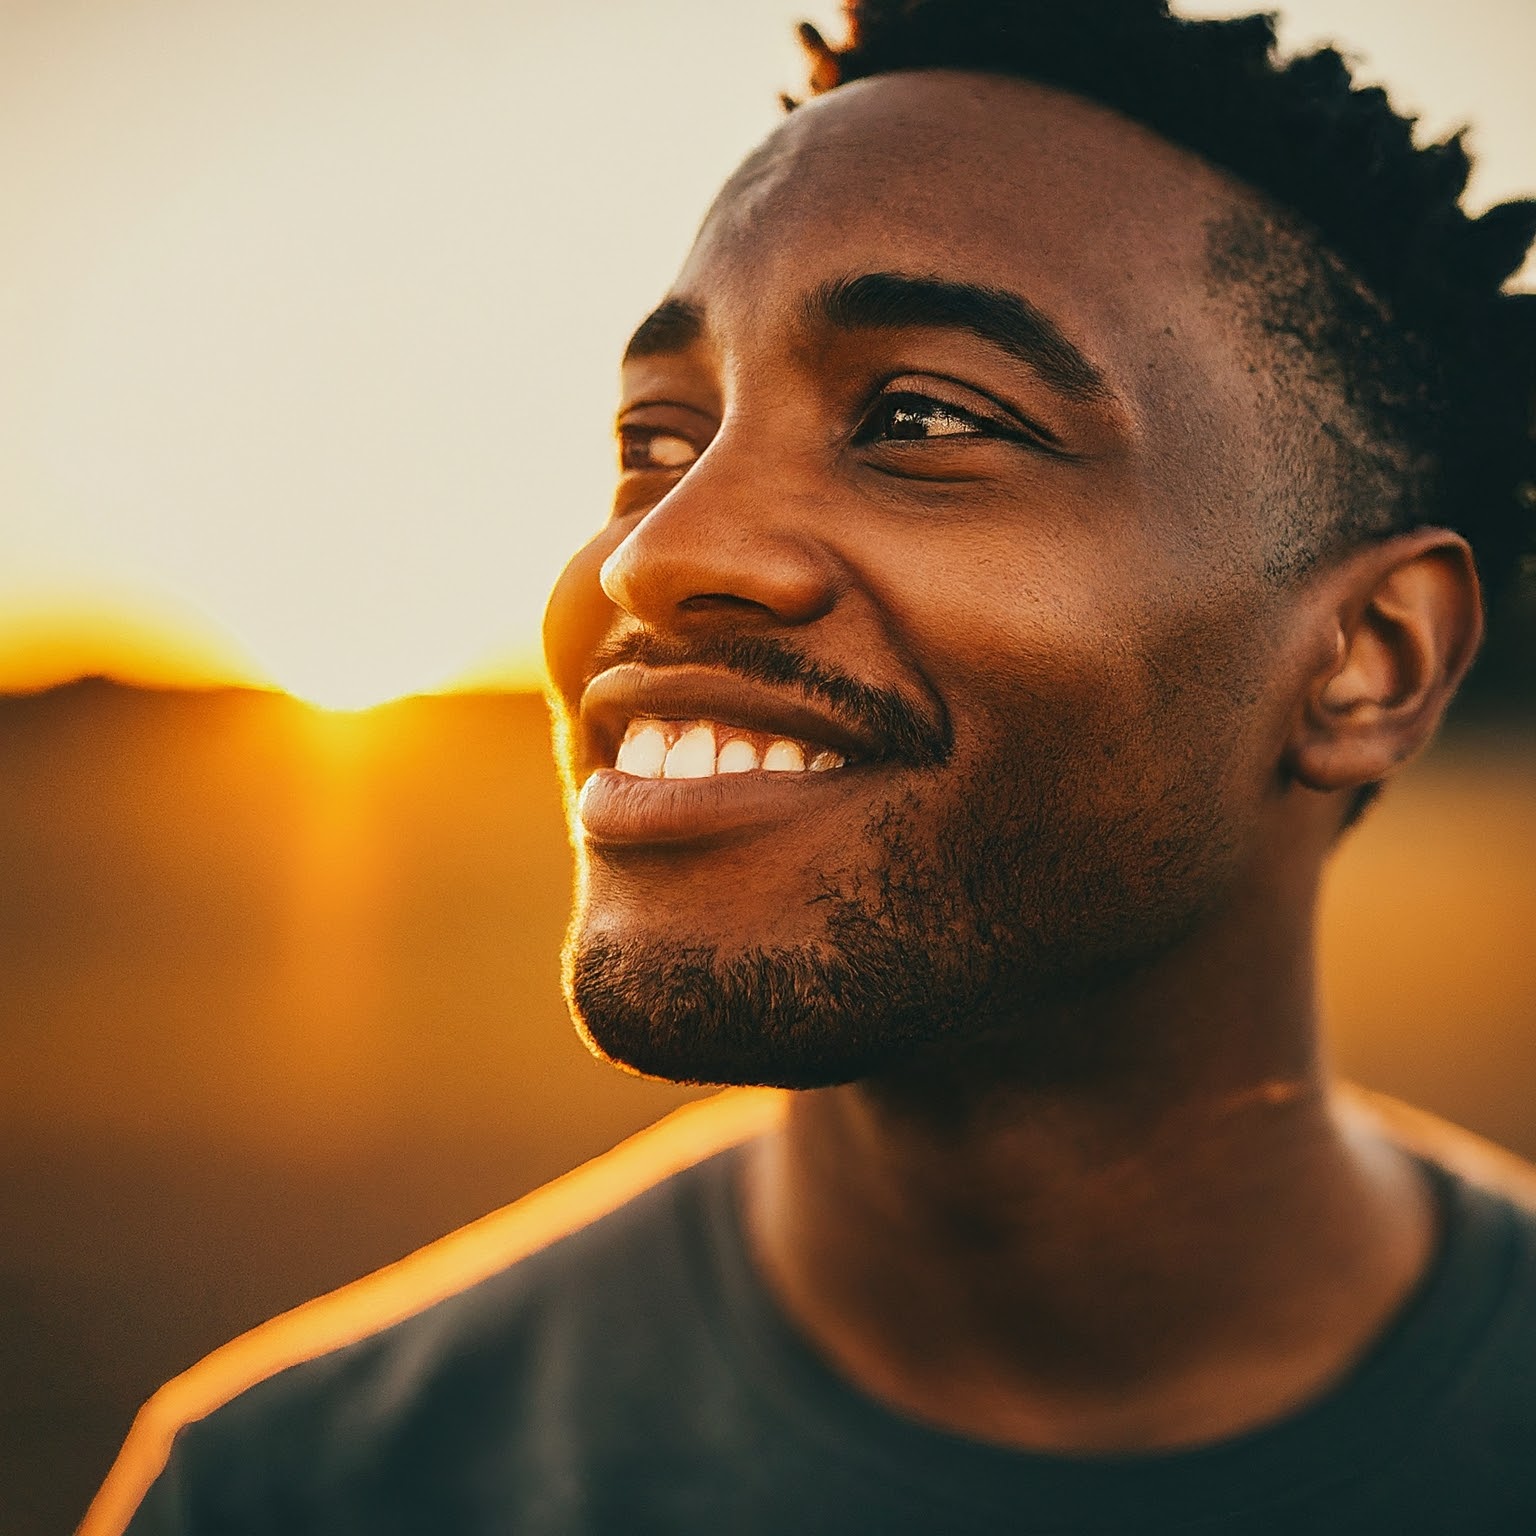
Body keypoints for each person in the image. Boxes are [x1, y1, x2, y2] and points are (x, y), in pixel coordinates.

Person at [82, 2, 1536, 1531]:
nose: (659, 552)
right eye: (657, 437)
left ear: (1370, 654)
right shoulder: (292, 1492)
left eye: (918, 417)